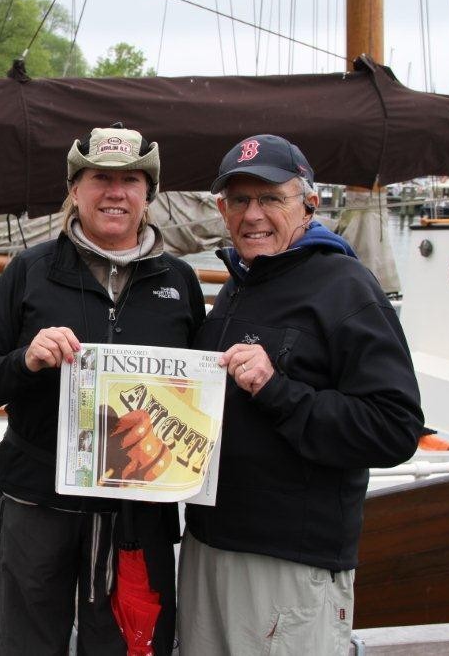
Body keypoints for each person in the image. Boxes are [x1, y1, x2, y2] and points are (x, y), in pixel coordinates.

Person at [0, 125, 206, 655]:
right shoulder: (31, 271)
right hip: (36, 501)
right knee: (25, 645)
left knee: (132, 646)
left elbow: (200, 398)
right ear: (74, 189)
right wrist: (25, 360)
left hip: (137, 514)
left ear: (148, 194)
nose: (115, 192)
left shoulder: (179, 282)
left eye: (130, 180)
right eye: (100, 179)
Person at [178, 134, 424, 655]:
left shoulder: (347, 287)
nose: (253, 215)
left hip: (288, 563)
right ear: (222, 210)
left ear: (308, 203)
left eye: (270, 198)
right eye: (240, 200)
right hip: (207, 545)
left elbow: (394, 428)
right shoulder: (238, 285)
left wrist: (276, 390)